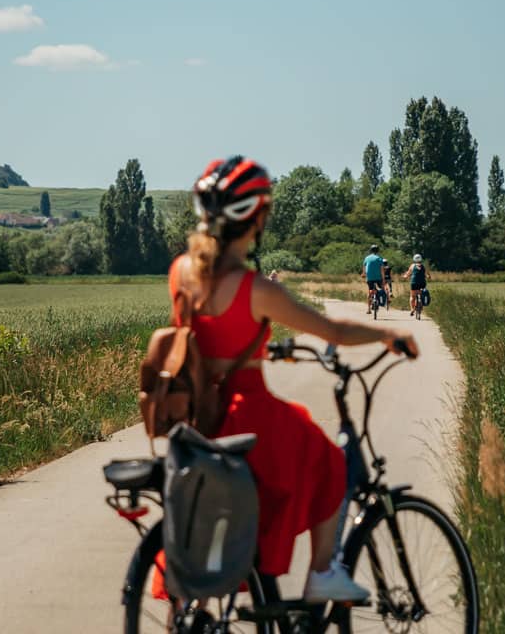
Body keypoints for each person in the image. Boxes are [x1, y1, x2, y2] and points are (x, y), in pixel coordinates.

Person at [166, 157, 418, 603]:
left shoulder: (182, 273)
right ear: (257, 218)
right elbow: (335, 332)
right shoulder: (256, 289)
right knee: (331, 464)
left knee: (206, 522)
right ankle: (321, 572)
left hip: (199, 416)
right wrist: (389, 333)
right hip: (250, 413)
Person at [362, 244, 386, 314]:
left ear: (370, 250)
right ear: (378, 251)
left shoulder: (367, 258)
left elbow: (364, 267)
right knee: (380, 289)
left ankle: (369, 309)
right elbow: (382, 269)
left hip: (370, 278)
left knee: (370, 291)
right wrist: (383, 279)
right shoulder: (379, 258)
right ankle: (378, 301)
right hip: (378, 277)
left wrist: (364, 274)